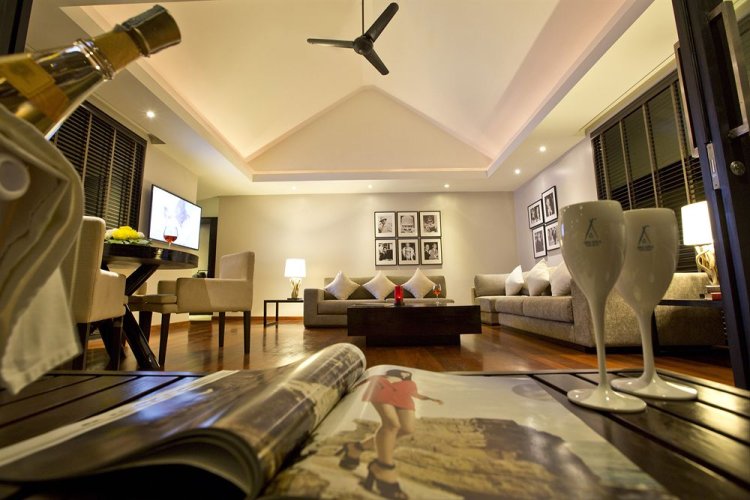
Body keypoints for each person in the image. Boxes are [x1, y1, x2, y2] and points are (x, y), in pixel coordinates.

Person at [336, 370, 443, 499]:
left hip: (403, 392)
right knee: (392, 425)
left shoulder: (411, 382)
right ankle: (383, 468)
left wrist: (431, 399)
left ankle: (356, 447)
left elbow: (416, 394)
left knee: (407, 429)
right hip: (384, 386)